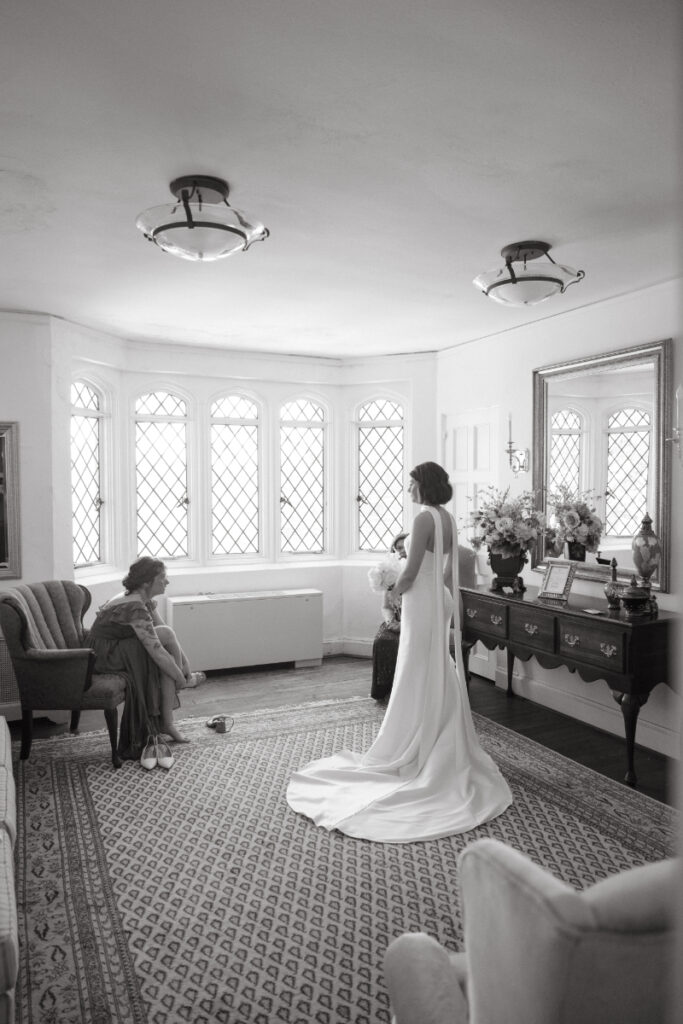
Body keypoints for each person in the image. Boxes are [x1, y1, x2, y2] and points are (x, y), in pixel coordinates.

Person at [287, 461, 512, 843]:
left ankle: (416, 741)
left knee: (417, 665)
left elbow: (411, 570)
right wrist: (422, 591)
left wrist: (394, 590)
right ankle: (436, 730)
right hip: (436, 598)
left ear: (423, 485)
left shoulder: (425, 517)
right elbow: (444, 571)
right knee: (432, 664)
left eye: (411, 484)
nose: (408, 490)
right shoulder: (447, 517)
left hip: (421, 600)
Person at [88, 557, 205, 765]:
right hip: (107, 654)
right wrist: (179, 676)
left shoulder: (142, 599)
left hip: (121, 644)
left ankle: (167, 722)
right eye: (162, 578)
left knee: (166, 647)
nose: (166, 582)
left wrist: (184, 666)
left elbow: (168, 636)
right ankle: (169, 717)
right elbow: (159, 648)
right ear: (145, 582)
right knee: (162, 659)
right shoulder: (133, 606)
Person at [370, 532, 407, 700]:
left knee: (401, 643)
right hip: (395, 621)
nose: (401, 551)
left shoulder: (417, 573)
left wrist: (403, 625)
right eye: (398, 548)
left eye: (404, 547)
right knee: (382, 640)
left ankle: (402, 689)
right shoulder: (391, 573)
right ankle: (384, 688)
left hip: (414, 623)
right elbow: (386, 606)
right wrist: (390, 621)